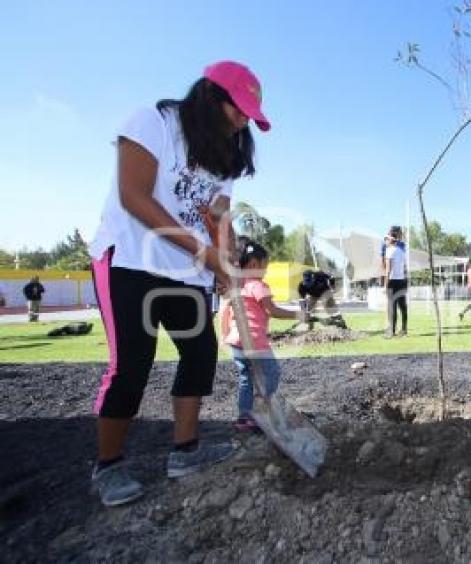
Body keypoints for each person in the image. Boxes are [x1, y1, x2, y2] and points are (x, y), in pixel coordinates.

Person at [87, 60, 271, 506]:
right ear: (211, 98)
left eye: (251, 114)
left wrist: (223, 258)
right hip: (129, 258)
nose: (244, 121)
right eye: (239, 110)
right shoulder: (152, 122)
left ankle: (185, 452)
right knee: (131, 363)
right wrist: (205, 255)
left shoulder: (225, 155)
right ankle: (108, 466)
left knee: (201, 352)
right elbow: (135, 196)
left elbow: (219, 215)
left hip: (185, 270)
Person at [220, 239, 302, 432]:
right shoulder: (258, 285)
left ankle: (245, 417)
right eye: (265, 266)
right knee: (272, 373)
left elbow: (226, 312)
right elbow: (272, 310)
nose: (265, 271)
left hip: (236, 342)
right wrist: (298, 314)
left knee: (246, 379)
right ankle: (261, 409)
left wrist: (224, 335)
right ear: (254, 264)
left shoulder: (237, 286)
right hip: (255, 341)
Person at [384, 228, 408, 337]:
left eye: (387, 239)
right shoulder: (402, 251)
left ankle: (392, 331)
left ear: (391, 240)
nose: (386, 241)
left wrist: (385, 284)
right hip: (402, 281)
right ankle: (404, 330)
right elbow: (404, 268)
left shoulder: (389, 250)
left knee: (392, 307)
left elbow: (388, 270)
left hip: (393, 281)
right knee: (402, 306)